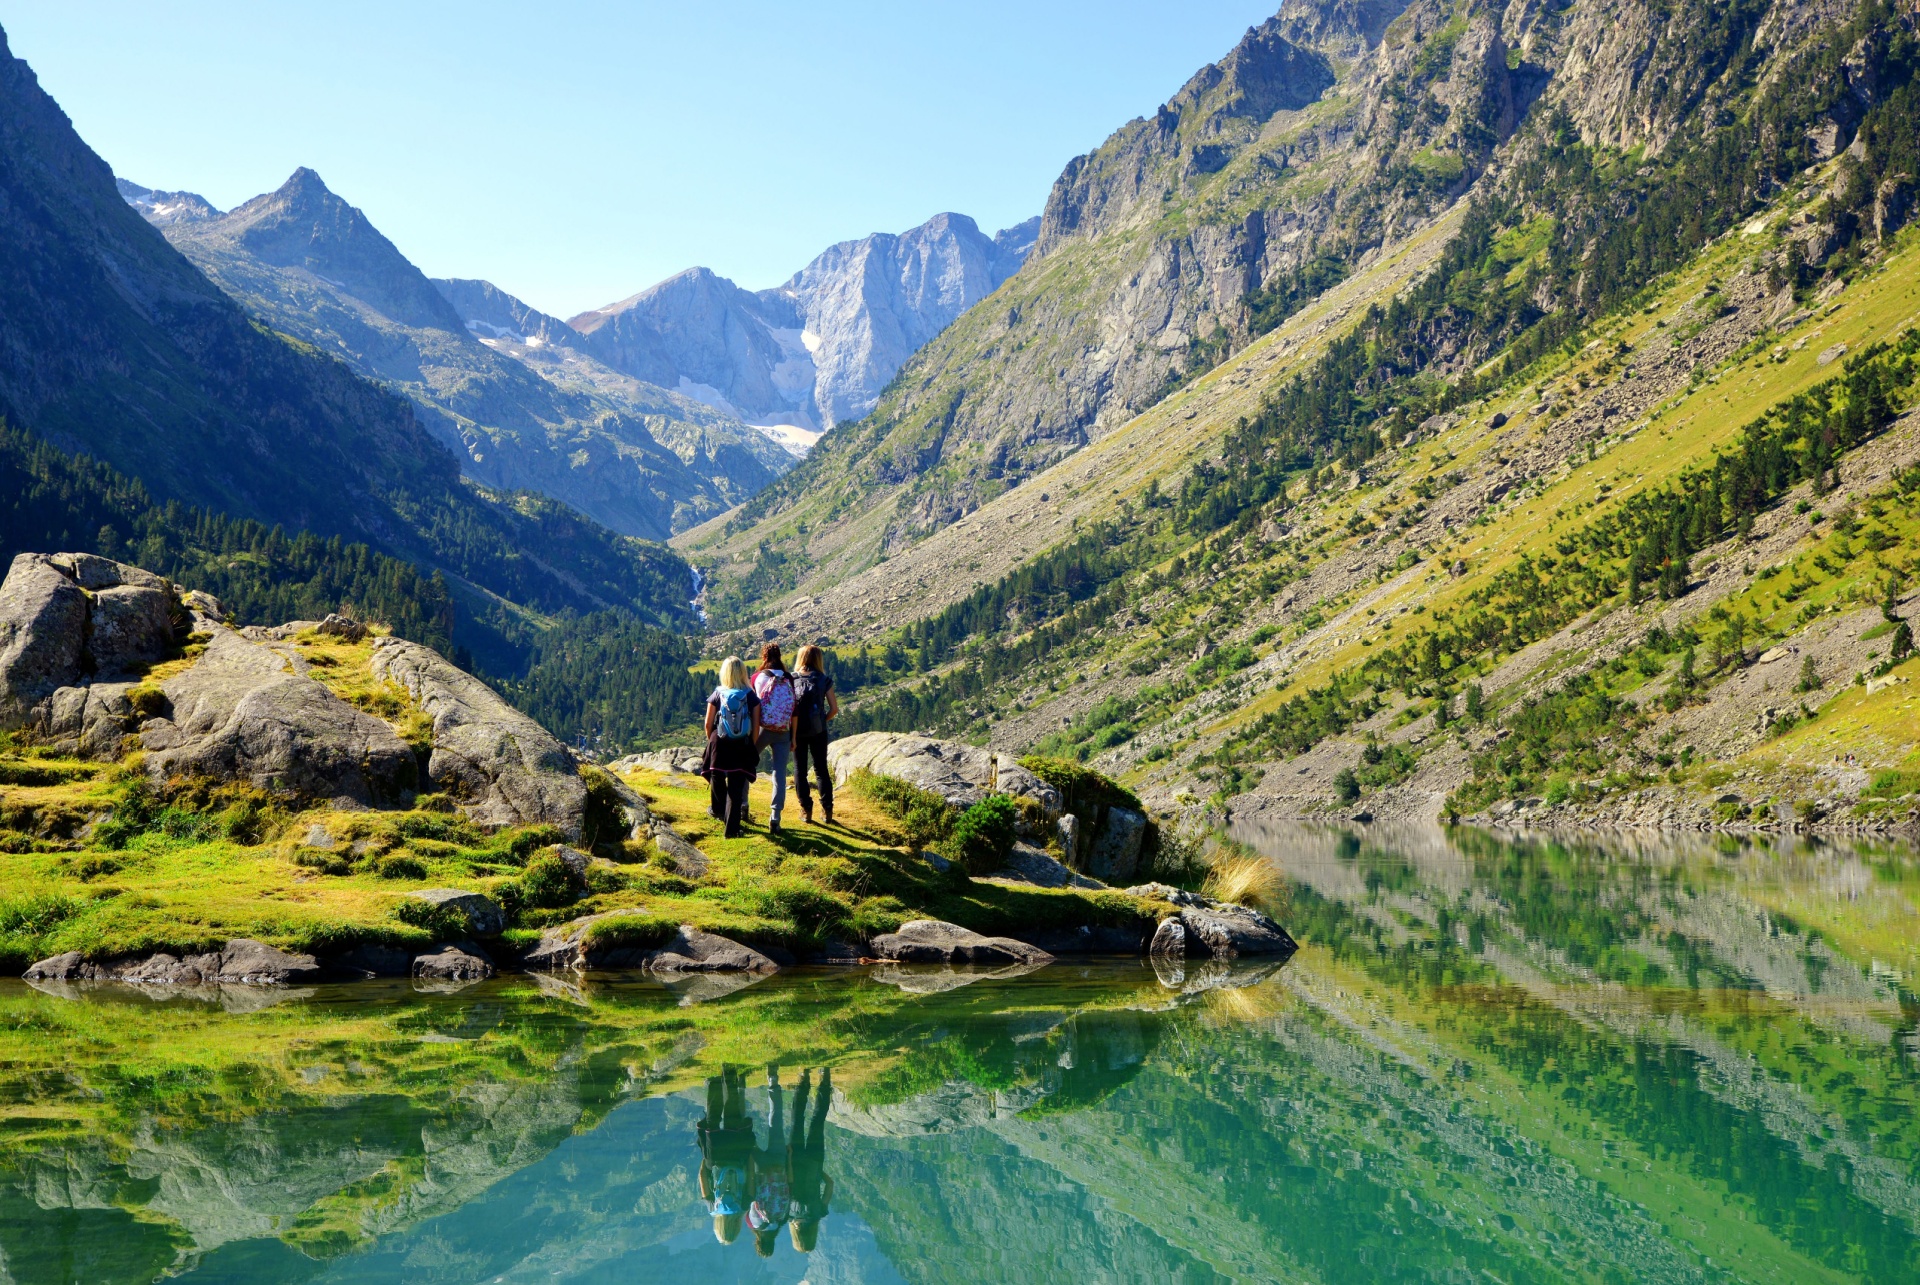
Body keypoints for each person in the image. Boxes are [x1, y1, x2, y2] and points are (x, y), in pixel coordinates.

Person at [703, 656, 762, 838]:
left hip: (719, 742)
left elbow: (708, 723)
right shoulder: (750, 696)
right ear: (743, 672)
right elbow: (756, 725)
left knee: (717, 776)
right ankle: (732, 830)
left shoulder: (718, 693)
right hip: (741, 744)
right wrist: (750, 745)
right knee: (736, 787)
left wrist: (713, 739)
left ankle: (718, 810)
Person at [698, 1065, 757, 1246]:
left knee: (733, 1116)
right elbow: (702, 1176)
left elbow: (751, 1176)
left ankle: (729, 1075)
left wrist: (748, 1155)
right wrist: (706, 1159)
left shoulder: (745, 1205)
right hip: (715, 1157)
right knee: (712, 1119)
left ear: (737, 1228)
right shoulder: (712, 1208)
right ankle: (715, 1082)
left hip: (738, 1154)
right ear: (719, 1227)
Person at [751, 644, 797, 835]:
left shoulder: (757, 677)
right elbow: (794, 710)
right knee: (779, 773)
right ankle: (775, 817)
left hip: (761, 729)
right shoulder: (788, 678)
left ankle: (743, 805)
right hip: (783, 731)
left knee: (748, 764)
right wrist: (793, 737)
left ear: (764, 656)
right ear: (780, 656)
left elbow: (752, 706)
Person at [791, 645, 839, 826]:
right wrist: (822, 721)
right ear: (818, 659)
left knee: (799, 771)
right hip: (818, 730)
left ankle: (806, 809)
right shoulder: (823, 679)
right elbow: (834, 709)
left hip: (797, 730)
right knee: (821, 770)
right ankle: (827, 810)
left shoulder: (792, 678)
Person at [748, 1064, 792, 1258]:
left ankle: (773, 1081)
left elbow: (789, 1184)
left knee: (776, 1121)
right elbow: (751, 1193)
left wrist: (788, 1159)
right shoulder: (755, 1223)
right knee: (746, 1138)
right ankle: (738, 1088)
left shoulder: (782, 1220)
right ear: (758, 1242)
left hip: (779, 1162)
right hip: (761, 1167)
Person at [788, 1067, 834, 1253]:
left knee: (817, 1120)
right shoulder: (789, 1214)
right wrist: (789, 1159)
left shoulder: (819, 1213)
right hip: (796, 1158)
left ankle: (824, 1079)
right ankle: (803, 1080)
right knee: (797, 1121)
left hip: (815, 1160)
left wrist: (818, 1170)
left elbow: (829, 1184)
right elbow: (789, 1182)